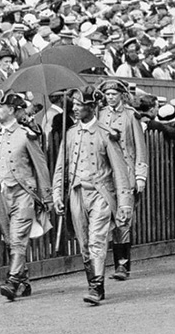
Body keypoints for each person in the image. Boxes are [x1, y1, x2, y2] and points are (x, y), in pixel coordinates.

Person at [52, 85, 133, 305]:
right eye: (74, 105)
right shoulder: (70, 134)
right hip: (76, 194)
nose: (75, 109)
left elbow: (120, 170)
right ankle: (93, 282)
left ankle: (96, 286)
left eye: (79, 105)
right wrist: (57, 195)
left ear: (92, 107)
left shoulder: (106, 134)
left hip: (101, 194)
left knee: (97, 239)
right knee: (84, 242)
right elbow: (61, 166)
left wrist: (125, 203)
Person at [0, 91, 53, 300]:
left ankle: (12, 281)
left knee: (18, 239)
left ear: (12, 109)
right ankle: (23, 281)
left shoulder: (27, 135)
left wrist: (46, 197)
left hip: (23, 194)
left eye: (0, 107)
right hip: (0, 194)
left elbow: (41, 167)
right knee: (10, 240)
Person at [97, 79, 148, 280]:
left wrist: (140, 174)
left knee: (123, 218)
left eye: (113, 94)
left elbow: (140, 147)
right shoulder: (99, 115)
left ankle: (122, 265)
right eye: (107, 94)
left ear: (121, 95)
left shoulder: (130, 116)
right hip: (106, 173)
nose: (110, 97)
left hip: (126, 172)